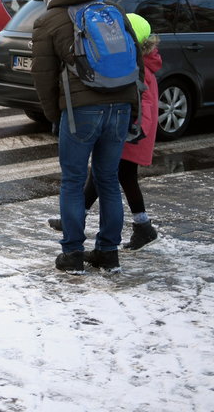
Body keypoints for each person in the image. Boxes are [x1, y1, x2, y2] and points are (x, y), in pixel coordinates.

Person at [31, 0, 143, 274]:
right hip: (120, 106)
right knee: (108, 179)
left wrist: (54, 116)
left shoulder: (48, 20)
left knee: (72, 181)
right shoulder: (112, 10)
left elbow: (43, 77)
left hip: (81, 110)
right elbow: (137, 61)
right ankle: (108, 253)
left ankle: (73, 254)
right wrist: (133, 107)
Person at [47, 13, 161, 251]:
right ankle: (140, 226)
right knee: (112, 177)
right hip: (129, 131)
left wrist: (130, 131)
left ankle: (139, 226)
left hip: (131, 134)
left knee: (109, 176)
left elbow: (146, 109)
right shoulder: (139, 64)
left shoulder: (142, 71)